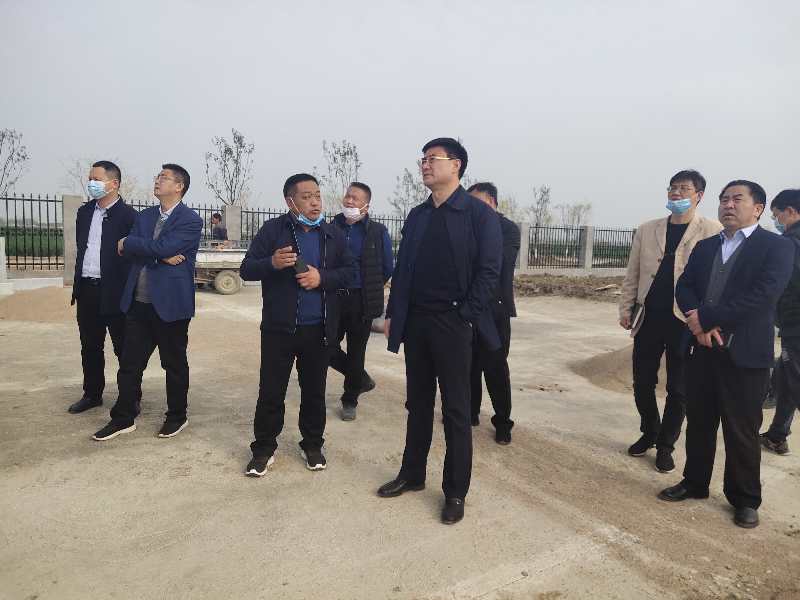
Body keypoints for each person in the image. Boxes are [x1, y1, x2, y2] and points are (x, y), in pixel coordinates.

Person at [377, 138, 502, 525]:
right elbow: (404, 270)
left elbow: (490, 272)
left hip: (454, 324)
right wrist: (394, 314)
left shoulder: (478, 215)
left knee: (456, 410)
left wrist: (465, 315)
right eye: (423, 160)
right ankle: (412, 474)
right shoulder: (418, 215)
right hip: (417, 323)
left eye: (433, 159)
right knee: (417, 403)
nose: (425, 165)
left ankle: (455, 491)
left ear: (456, 165)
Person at [658, 180, 793, 529]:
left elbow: (764, 295)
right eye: (723, 199)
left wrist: (707, 317)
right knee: (699, 421)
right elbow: (684, 285)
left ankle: (745, 498)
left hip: (745, 355)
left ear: (758, 208)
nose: (728, 205)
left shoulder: (776, 247)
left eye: (737, 199)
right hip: (702, 349)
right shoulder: (706, 246)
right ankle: (694, 481)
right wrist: (697, 322)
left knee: (742, 429)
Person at [239, 173, 356, 476]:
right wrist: (272, 263)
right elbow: (247, 269)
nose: (315, 202)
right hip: (279, 329)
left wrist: (322, 278)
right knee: (271, 391)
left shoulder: (332, 235)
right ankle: (263, 449)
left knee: (314, 391)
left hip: (319, 329)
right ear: (290, 201)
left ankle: (313, 445)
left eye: (317, 195)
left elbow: (350, 273)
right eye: (306, 197)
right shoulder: (273, 230)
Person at [618, 170, 722, 472]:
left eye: (683, 189)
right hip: (649, 316)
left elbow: (716, 279)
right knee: (642, 382)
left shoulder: (712, 230)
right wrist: (626, 307)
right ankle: (649, 430)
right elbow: (633, 272)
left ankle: (666, 445)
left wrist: (708, 318)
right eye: (672, 188)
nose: (676, 193)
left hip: (685, 321)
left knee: (679, 388)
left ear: (699, 195)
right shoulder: (647, 229)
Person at [92, 164, 203, 441]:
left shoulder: (190, 220)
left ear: (179, 186)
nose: (157, 180)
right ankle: (123, 418)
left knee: (174, 365)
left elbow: (143, 246)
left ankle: (177, 416)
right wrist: (159, 254)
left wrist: (136, 245)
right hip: (138, 303)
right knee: (130, 365)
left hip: (171, 306)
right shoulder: (144, 216)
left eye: (164, 177)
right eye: (157, 176)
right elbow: (128, 252)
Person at [69, 160, 137, 413]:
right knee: (90, 346)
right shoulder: (85, 212)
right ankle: (92, 394)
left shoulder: (129, 216)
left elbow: (134, 256)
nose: (91, 183)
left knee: (124, 348)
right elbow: (82, 248)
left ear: (114, 183)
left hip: (116, 292)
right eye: (90, 179)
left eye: (96, 179)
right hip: (87, 289)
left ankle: (131, 397)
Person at [329, 182, 394, 421]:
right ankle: (361, 378)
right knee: (326, 347)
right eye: (347, 196)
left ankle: (350, 400)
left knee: (357, 351)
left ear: (366, 205)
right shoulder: (330, 228)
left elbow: (387, 267)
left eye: (355, 198)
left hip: (361, 300)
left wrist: (369, 286)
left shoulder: (377, 232)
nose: (349, 201)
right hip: (334, 296)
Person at [465, 182, 520, 444]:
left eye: (476, 202)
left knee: (496, 368)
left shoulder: (507, 229)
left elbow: (497, 265)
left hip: (494, 311)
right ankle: (470, 412)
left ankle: (503, 422)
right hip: (467, 308)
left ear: (491, 202)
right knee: (468, 365)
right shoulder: (466, 227)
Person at [760, 189, 800, 455]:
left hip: (795, 325)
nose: (776, 221)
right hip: (791, 325)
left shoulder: (790, 243)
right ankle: (777, 436)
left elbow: (781, 285)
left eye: (777, 216)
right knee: (786, 381)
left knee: (795, 380)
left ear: (791, 212)